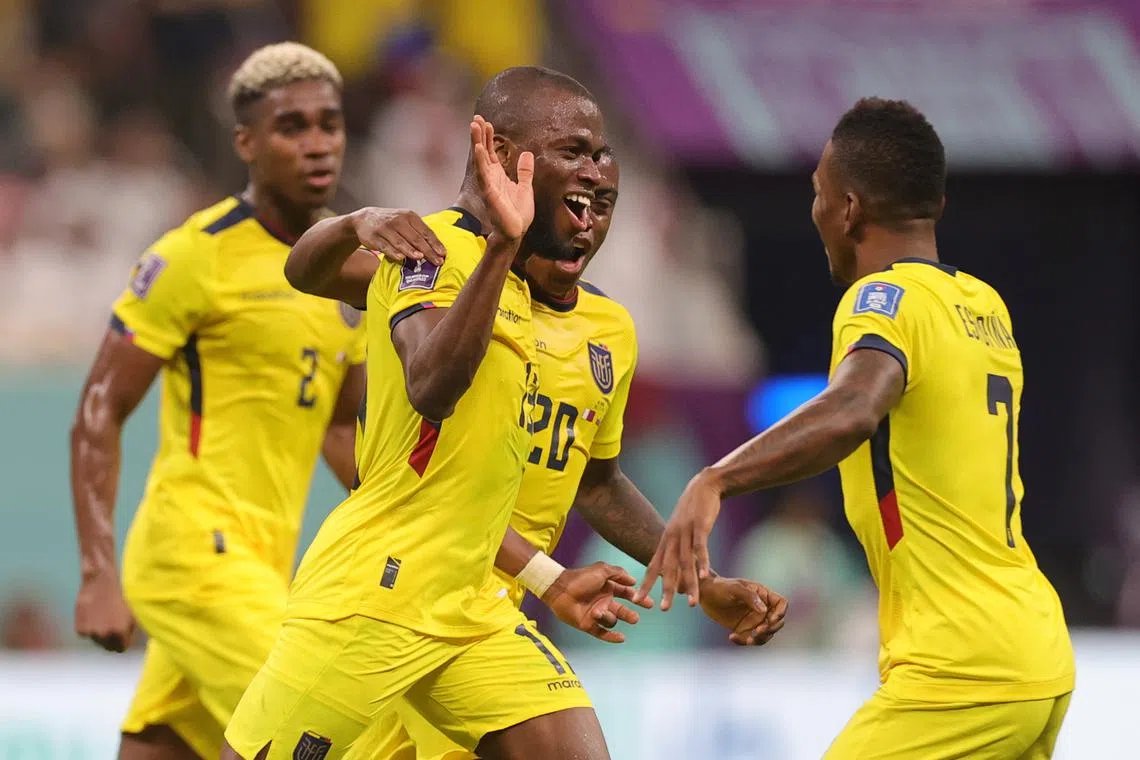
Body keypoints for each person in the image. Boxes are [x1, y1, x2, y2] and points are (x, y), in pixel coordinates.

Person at [295, 152, 788, 760]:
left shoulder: (609, 329)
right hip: (400, 590)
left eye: (601, 205)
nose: (584, 221)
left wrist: (701, 583)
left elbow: (598, 484)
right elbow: (310, 273)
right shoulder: (449, 278)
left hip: (494, 615)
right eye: (571, 203)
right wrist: (354, 222)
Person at [222, 66, 653, 760]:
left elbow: (573, 480)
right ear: (502, 149)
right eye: (574, 149)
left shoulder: (555, 300)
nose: (597, 167)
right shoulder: (436, 249)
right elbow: (430, 383)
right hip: (377, 591)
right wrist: (360, 223)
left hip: (475, 607)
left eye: (601, 152)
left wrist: (550, 578)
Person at [640, 98, 1075, 759]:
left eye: (818, 194)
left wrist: (717, 478)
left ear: (847, 210)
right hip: (1037, 650)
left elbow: (853, 409)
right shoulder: (983, 306)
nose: (815, 213)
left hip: (961, 670)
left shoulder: (881, 302)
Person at [69, 42, 445, 760]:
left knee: (163, 745)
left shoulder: (356, 276)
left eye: (328, 124)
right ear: (246, 142)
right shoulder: (194, 256)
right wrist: (96, 572)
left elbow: (340, 426)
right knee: (345, 733)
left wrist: (417, 521)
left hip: (270, 561)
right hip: (193, 554)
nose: (317, 144)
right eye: (292, 127)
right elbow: (99, 410)